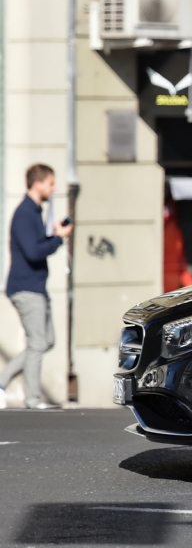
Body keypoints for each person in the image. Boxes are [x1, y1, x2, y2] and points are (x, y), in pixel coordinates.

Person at [0, 164, 73, 410]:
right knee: (38, 343)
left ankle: (1, 381)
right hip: (26, 288)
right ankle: (32, 399)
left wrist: (52, 236)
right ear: (38, 183)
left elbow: (35, 246)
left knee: (46, 340)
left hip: (36, 287)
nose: (54, 188)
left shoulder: (33, 212)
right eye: (51, 183)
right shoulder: (25, 213)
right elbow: (33, 252)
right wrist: (58, 238)